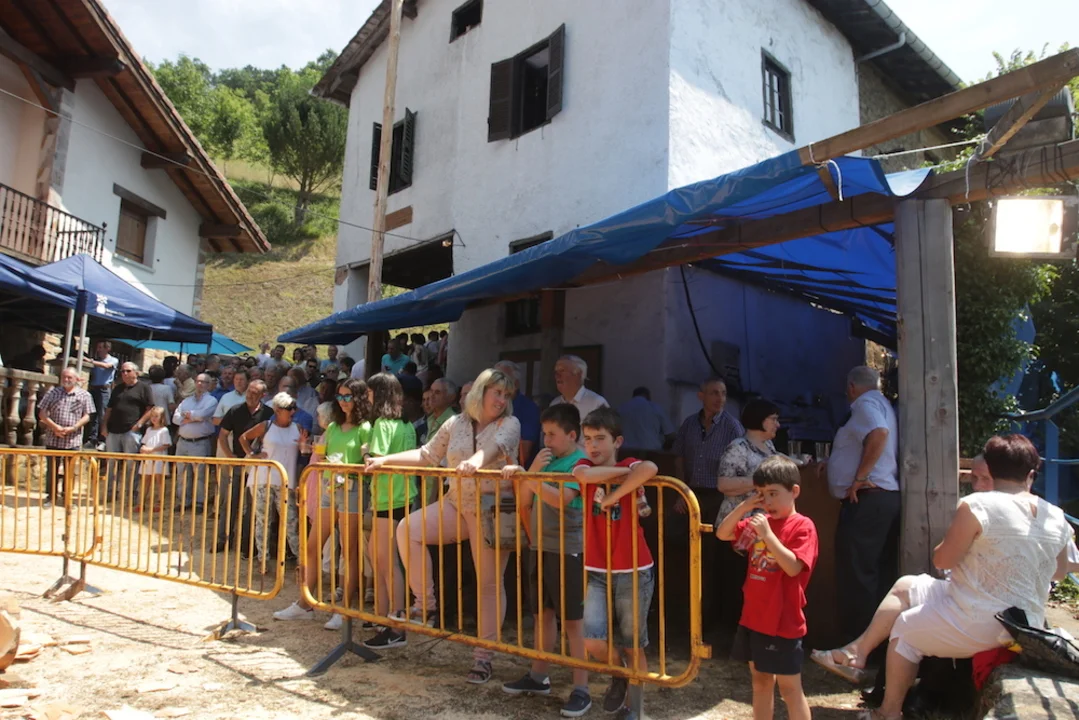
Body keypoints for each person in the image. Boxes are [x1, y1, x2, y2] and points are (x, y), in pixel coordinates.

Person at [811, 434, 1072, 720]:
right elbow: (1059, 571)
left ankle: (888, 712)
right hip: (1025, 623)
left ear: (991, 469)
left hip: (982, 620)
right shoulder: (1056, 515)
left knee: (906, 628)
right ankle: (857, 653)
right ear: (1031, 473)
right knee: (907, 586)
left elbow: (942, 560)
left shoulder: (977, 505)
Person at [368, 368, 521, 684]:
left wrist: (475, 463)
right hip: (457, 502)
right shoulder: (457, 423)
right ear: (480, 392)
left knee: (489, 583)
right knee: (408, 529)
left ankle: (484, 656)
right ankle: (425, 605)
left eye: (506, 395)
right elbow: (427, 455)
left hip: (494, 509)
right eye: (497, 393)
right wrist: (385, 460)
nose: (502, 400)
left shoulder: (510, 423)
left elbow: (495, 449)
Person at [501, 404, 592, 717]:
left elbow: (562, 499)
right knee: (542, 615)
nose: (546, 440)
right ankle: (539, 675)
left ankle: (582, 688)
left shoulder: (579, 463)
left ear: (572, 434)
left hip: (568, 550)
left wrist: (531, 475)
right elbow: (525, 501)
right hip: (541, 545)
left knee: (573, 622)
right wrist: (531, 474)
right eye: (544, 433)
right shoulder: (546, 461)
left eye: (552, 434)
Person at [571, 408, 657, 720]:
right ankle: (619, 674)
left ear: (617, 441)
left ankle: (636, 709)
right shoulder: (585, 465)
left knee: (634, 644)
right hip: (597, 567)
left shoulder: (628, 464)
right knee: (592, 640)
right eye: (588, 439)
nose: (592, 445)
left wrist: (614, 494)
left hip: (633, 567)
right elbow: (583, 476)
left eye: (600, 438)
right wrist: (622, 479)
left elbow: (650, 467)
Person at [717, 456, 816, 720]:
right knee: (760, 681)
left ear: (794, 491)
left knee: (789, 689)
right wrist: (745, 506)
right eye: (762, 494)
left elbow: (793, 567)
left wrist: (768, 535)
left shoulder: (803, 526)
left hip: (783, 621)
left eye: (773, 493)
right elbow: (723, 533)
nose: (768, 501)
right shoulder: (760, 521)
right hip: (754, 617)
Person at [274, 378, 372, 630]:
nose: (344, 401)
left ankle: (345, 609)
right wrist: (313, 449)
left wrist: (346, 465)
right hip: (330, 487)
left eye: (349, 396)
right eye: (341, 396)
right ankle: (305, 603)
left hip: (352, 489)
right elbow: (320, 453)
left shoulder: (365, 427)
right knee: (313, 544)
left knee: (349, 551)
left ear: (359, 398)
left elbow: (368, 461)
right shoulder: (335, 427)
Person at [824, 366, 900, 645]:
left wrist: (859, 477)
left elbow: (878, 433)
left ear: (851, 387)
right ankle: (873, 644)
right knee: (871, 572)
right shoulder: (881, 404)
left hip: (868, 498)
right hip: (878, 498)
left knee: (857, 574)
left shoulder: (865, 404)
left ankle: (856, 645)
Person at [713, 399, 784, 643]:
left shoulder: (769, 446)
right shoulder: (738, 447)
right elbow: (724, 484)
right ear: (759, 419)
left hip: (761, 528)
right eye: (773, 419)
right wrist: (762, 481)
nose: (777, 424)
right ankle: (731, 638)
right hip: (737, 527)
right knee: (736, 583)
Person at [361, 373, 418, 650]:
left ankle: (395, 625)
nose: (367, 397)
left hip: (388, 497)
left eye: (371, 392)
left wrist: (364, 452)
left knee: (387, 562)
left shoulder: (382, 424)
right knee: (378, 557)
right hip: (399, 496)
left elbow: (374, 460)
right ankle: (383, 617)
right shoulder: (406, 424)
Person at [240, 392, 306, 568]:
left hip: (287, 480)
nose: (292, 411)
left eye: (293, 408)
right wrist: (252, 454)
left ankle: (300, 559)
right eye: (288, 408)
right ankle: (263, 559)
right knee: (263, 520)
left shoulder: (297, 427)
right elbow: (244, 437)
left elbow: (303, 451)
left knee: (291, 520)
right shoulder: (266, 426)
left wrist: (304, 446)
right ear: (277, 410)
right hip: (264, 478)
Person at [215, 380, 272, 553]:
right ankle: (223, 540)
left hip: (257, 467)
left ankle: (247, 544)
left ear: (263, 395)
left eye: (255, 393)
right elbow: (223, 435)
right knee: (229, 503)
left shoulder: (268, 413)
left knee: (253, 506)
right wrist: (229, 455)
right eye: (249, 391)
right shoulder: (235, 410)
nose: (250, 395)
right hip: (238, 463)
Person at [37, 367, 95, 506]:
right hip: (53, 437)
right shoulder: (52, 393)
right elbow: (42, 413)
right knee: (52, 469)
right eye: (64, 377)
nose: (66, 379)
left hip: (73, 439)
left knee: (70, 470)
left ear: (76, 379)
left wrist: (74, 427)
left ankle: (67, 497)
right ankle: (51, 497)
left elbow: (88, 415)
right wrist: (54, 427)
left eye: (69, 377)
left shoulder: (85, 395)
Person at [103, 362, 154, 492]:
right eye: (123, 371)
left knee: (131, 464)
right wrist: (104, 426)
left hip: (131, 431)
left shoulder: (144, 388)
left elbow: (150, 408)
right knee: (111, 463)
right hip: (114, 431)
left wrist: (139, 424)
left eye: (128, 371)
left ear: (136, 373)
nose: (125, 373)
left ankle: (130, 493)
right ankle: (110, 492)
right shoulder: (118, 388)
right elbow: (109, 409)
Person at [172, 373, 219, 512]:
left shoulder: (212, 401)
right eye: (198, 381)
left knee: (200, 474)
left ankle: (199, 502)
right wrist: (193, 417)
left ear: (209, 385)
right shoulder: (186, 401)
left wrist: (188, 416)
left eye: (203, 382)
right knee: (182, 473)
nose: (200, 384)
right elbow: (175, 418)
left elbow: (203, 415)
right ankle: (184, 501)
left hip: (200, 442)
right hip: (182, 441)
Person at [550, 356, 608, 443]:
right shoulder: (554, 404)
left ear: (578, 374)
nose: (557, 375)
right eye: (555, 372)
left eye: (562, 370)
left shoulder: (596, 403)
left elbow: (606, 440)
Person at [495, 360, 541, 467]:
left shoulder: (528, 408)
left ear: (516, 384)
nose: (498, 383)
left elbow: (524, 452)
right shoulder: (490, 404)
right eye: (495, 379)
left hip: (516, 470)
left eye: (503, 379)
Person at [617, 387, 674, 452]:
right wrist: (664, 449)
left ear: (633, 396)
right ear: (648, 396)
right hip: (651, 451)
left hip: (626, 451)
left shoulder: (621, 409)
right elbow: (671, 435)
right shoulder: (656, 408)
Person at [138, 406, 172, 513]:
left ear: (161, 417)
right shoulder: (149, 430)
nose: (154, 418)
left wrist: (152, 449)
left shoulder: (164, 430)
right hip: (148, 458)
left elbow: (166, 444)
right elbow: (144, 442)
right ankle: (142, 502)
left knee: (159, 480)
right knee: (146, 480)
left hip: (158, 457)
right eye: (152, 416)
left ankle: (160, 502)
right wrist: (143, 448)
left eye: (156, 416)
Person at [85, 340, 119, 447]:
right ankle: (92, 438)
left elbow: (107, 366)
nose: (98, 350)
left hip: (104, 390)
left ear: (107, 349)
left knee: (103, 415)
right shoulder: (96, 361)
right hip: (94, 389)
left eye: (100, 347)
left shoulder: (113, 360)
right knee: (93, 414)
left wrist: (91, 361)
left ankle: (103, 439)